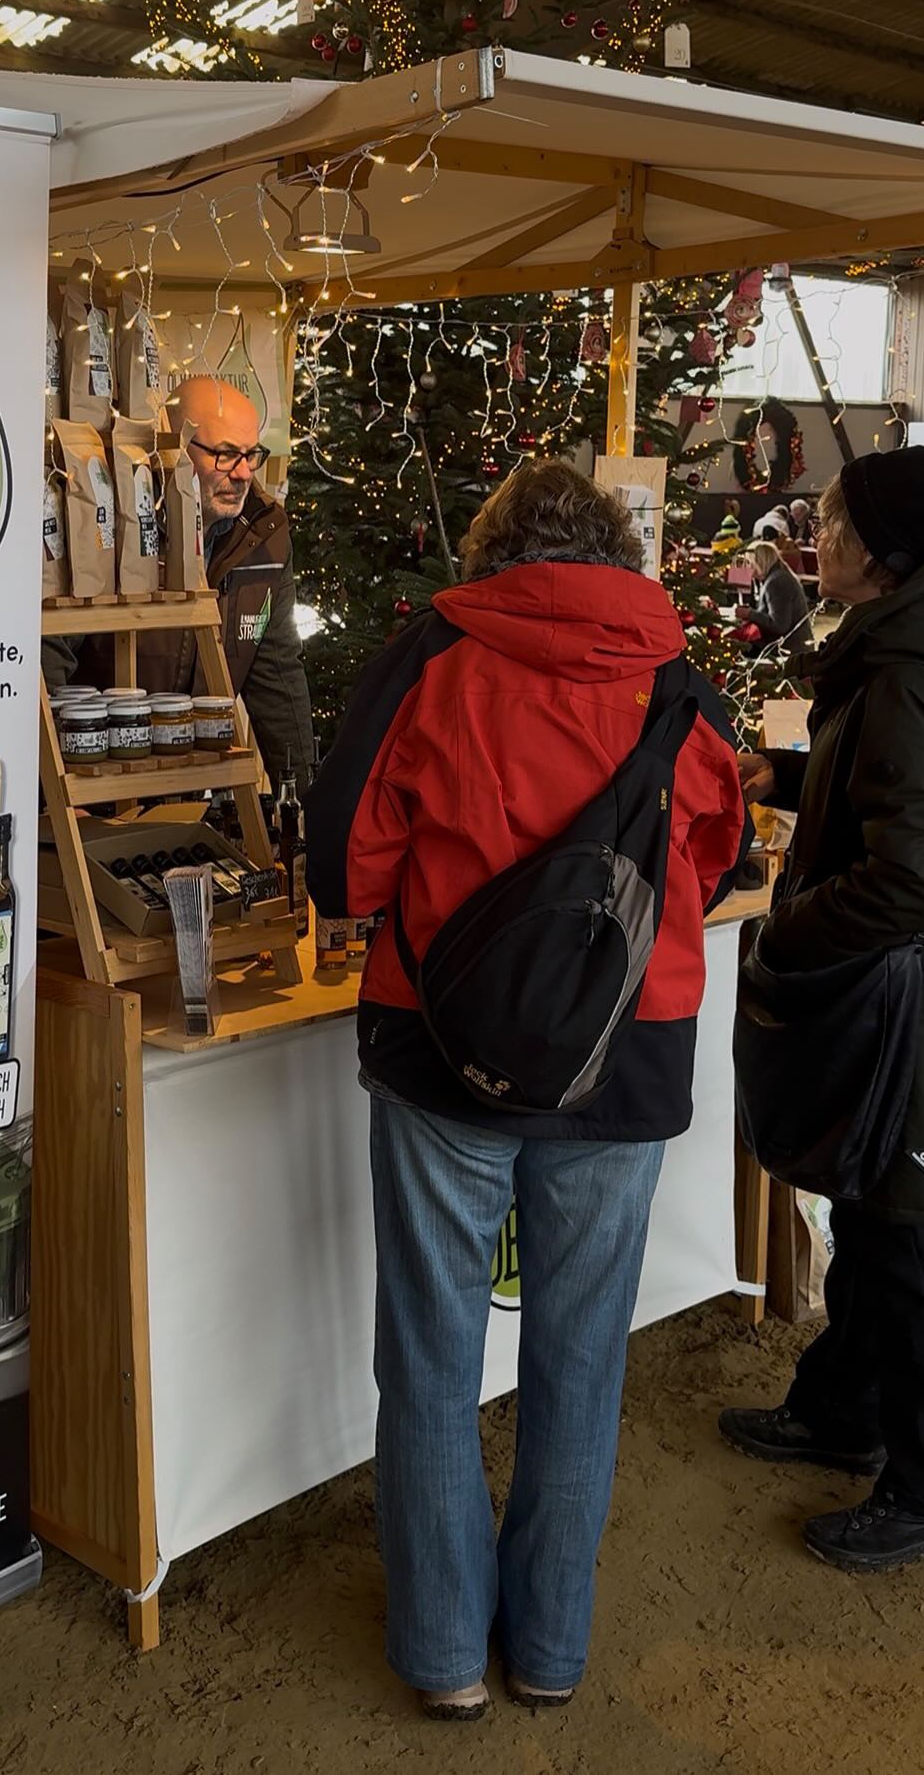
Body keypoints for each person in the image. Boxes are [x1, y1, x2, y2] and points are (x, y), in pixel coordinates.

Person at [305, 461, 747, 1721]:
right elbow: (715, 856)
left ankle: (445, 1650)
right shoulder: (679, 676)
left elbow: (343, 859)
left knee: (434, 1355)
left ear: (499, 547)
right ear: (619, 548)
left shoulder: (436, 652)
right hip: (629, 1055)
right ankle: (549, 1646)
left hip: (442, 1051)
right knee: (582, 1355)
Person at [722, 447, 924, 1573]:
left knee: (910, 1237)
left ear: (889, 554)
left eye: (839, 520)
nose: (822, 533)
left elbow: (913, 872)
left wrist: (787, 930)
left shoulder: (909, 670)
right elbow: (890, 792)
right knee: (872, 1212)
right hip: (903, 996)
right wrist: (796, 774)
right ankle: (841, 1408)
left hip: (917, 1008)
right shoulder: (899, 649)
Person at [45, 375, 314, 790]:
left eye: (251, 454)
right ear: (170, 448)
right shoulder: (115, 522)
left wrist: (301, 801)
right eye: (224, 455)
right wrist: (48, 788)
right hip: (96, 788)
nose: (243, 473)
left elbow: (279, 679)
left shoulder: (266, 533)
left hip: (195, 791)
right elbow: (49, 659)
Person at [738, 539, 811, 651]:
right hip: (786, 645)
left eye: (749, 562)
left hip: (787, 649)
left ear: (759, 562)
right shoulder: (776, 576)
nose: (747, 567)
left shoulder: (777, 582)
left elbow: (779, 625)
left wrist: (750, 614)